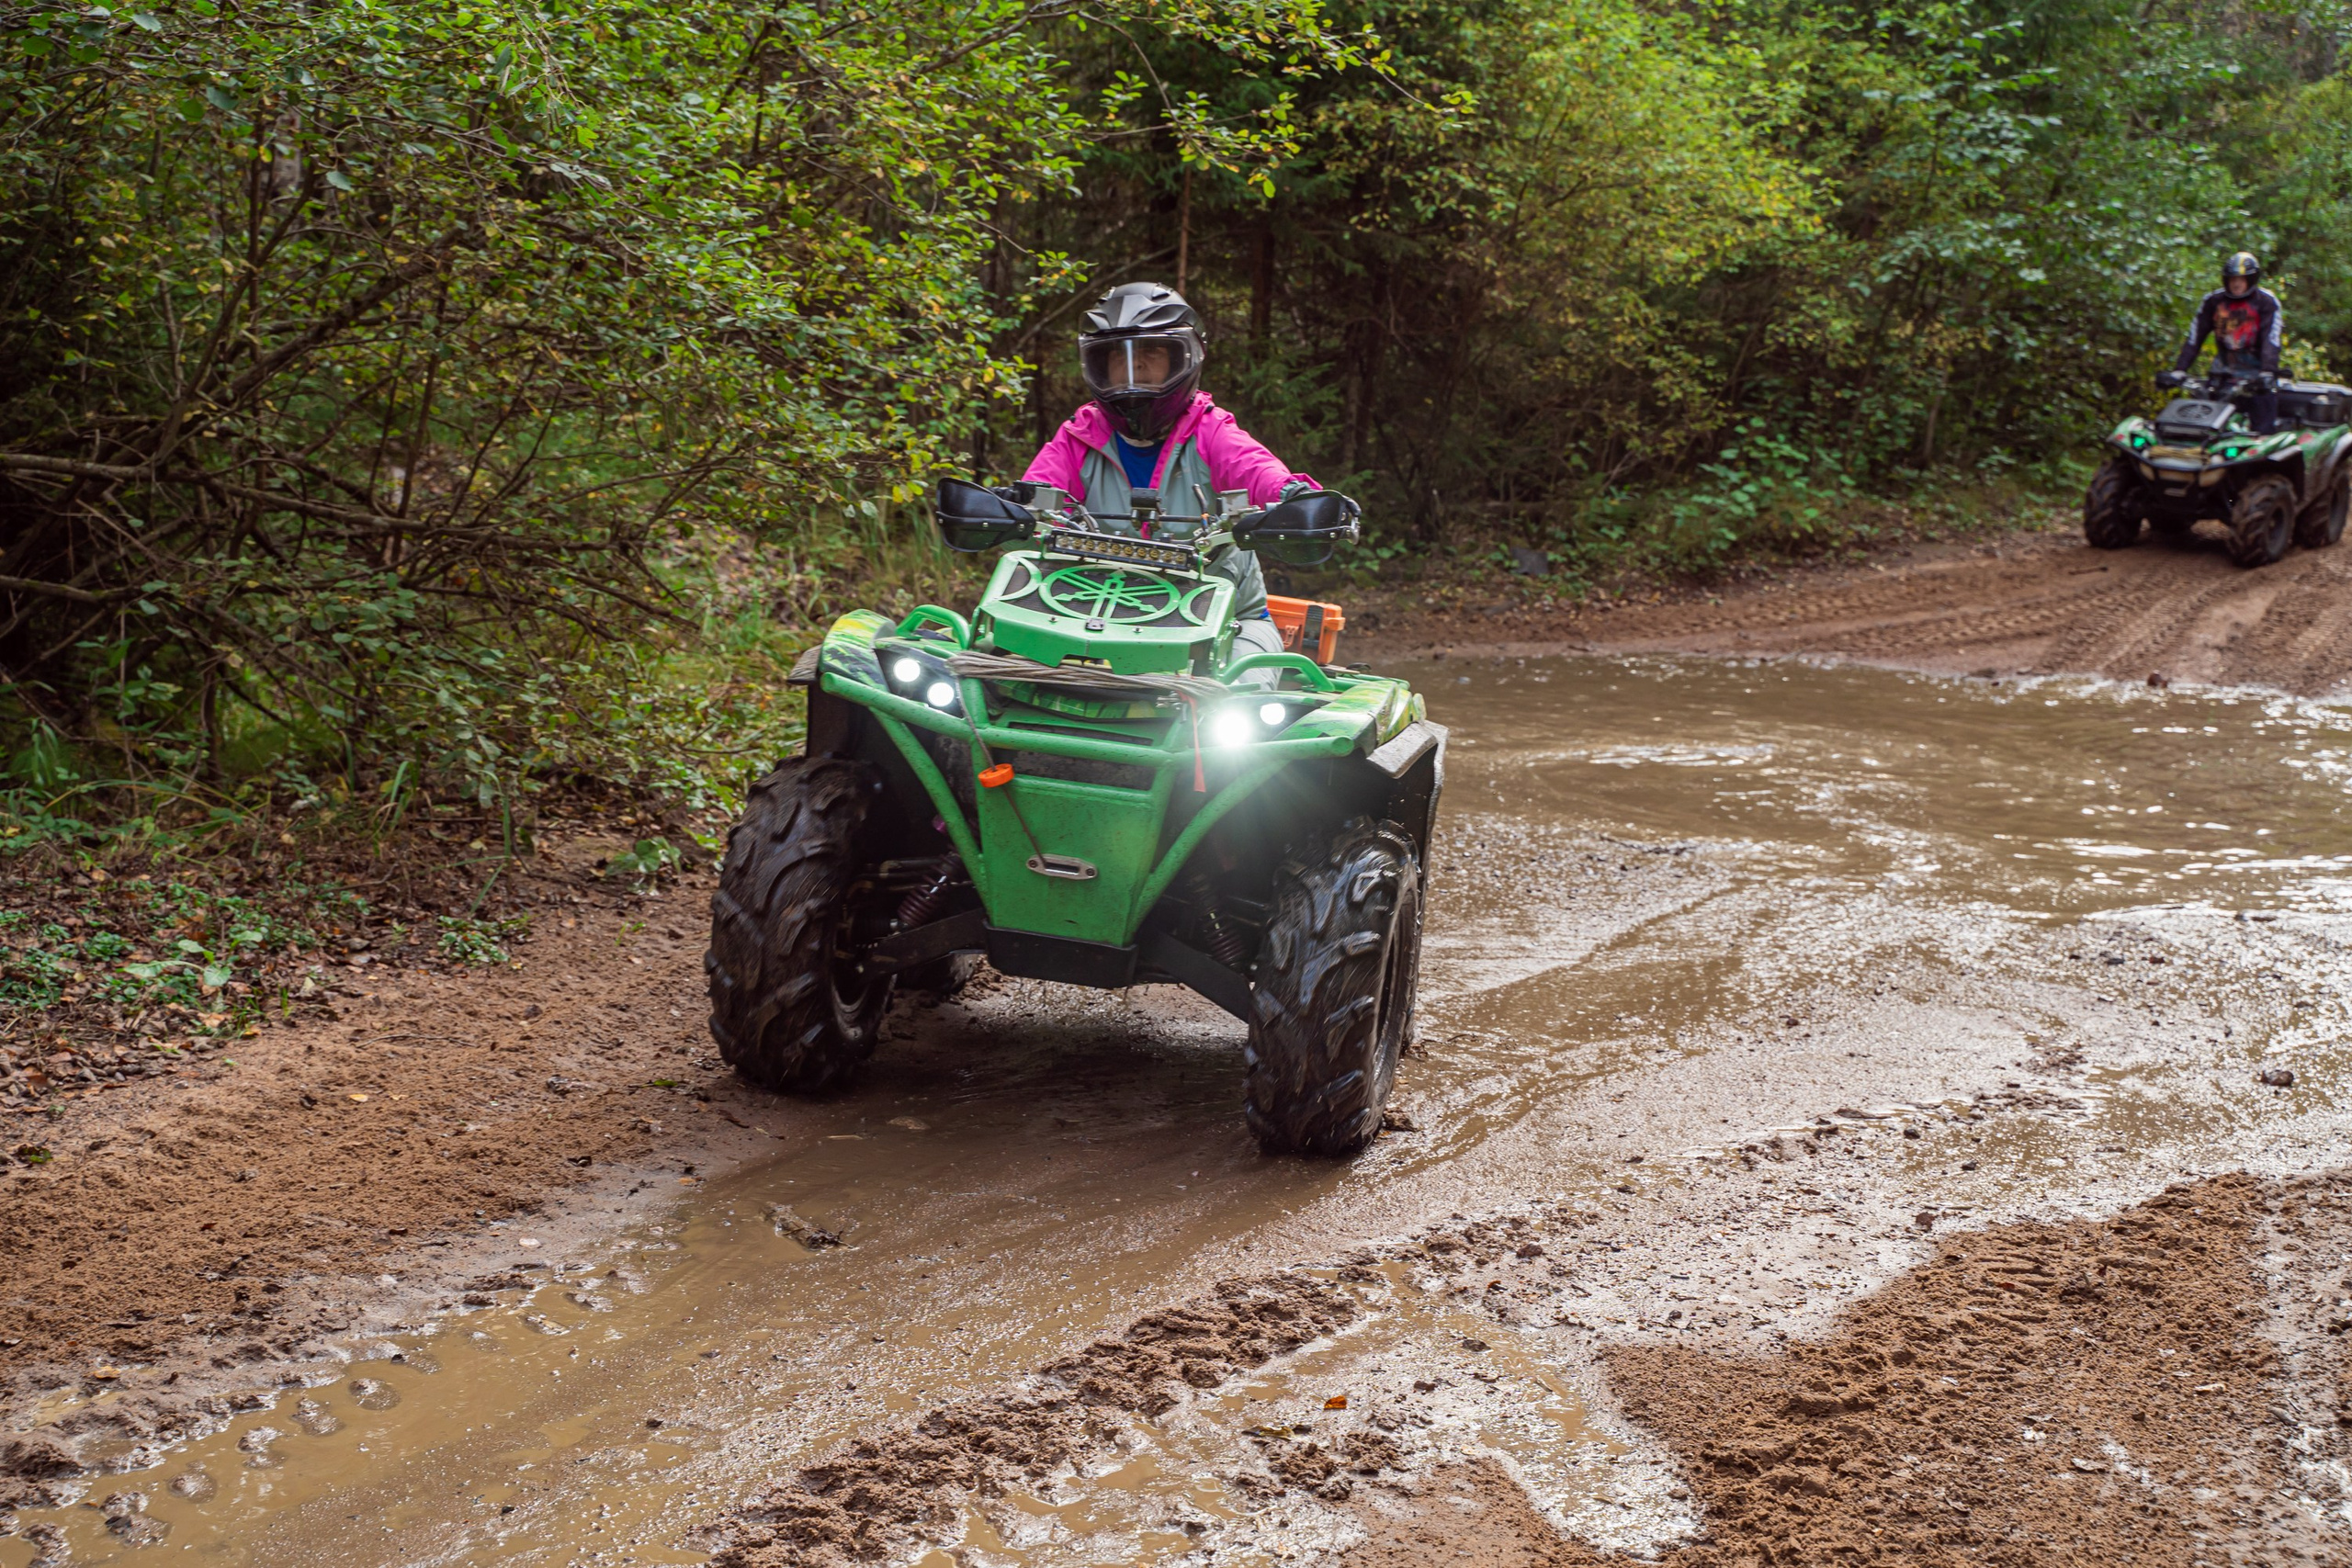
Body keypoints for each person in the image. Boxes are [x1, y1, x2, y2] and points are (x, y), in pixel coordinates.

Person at [1022, 282, 1317, 672]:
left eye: (1151, 353)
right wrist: (1005, 507)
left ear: (1184, 359)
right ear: (1097, 367)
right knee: (991, 670)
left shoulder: (1212, 432)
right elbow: (1035, 491)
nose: (1134, 368)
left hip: (1224, 624)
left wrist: (1297, 498)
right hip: (1086, 616)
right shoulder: (1078, 436)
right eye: (1118, 358)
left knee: (1243, 698)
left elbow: (1258, 470)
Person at [2161, 251, 2284, 432]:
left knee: (2262, 429)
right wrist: (2180, 370)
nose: (2236, 284)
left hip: (2257, 378)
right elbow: (2195, 337)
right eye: (2233, 279)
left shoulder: (2266, 302)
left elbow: (2271, 340)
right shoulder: (2213, 301)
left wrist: (2267, 371)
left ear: (2251, 279)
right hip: (2222, 376)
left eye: (2242, 279)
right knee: (2202, 426)